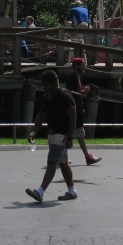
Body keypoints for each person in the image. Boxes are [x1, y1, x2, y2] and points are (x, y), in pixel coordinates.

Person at [26, 69, 79, 202]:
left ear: (54, 84)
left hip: (62, 135)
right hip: (52, 134)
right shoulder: (46, 98)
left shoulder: (65, 96)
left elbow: (73, 117)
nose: (43, 88)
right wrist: (34, 131)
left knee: (52, 162)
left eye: (45, 85)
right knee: (63, 162)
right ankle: (72, 191)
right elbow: (41, 115)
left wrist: (70, 137)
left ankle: (40, 192)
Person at [66, 57, 101, 165]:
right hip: (74, 109)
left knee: (78, 134)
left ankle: (85, 157)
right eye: (82, 65)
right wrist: (82, 92)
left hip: (77, 108)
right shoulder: (73, 77)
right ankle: (87, 157)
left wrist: (82, 91)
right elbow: (70, 92)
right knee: (78, 133)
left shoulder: (77, 77)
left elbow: (75, 91)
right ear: (76, 66)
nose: (83, 66)